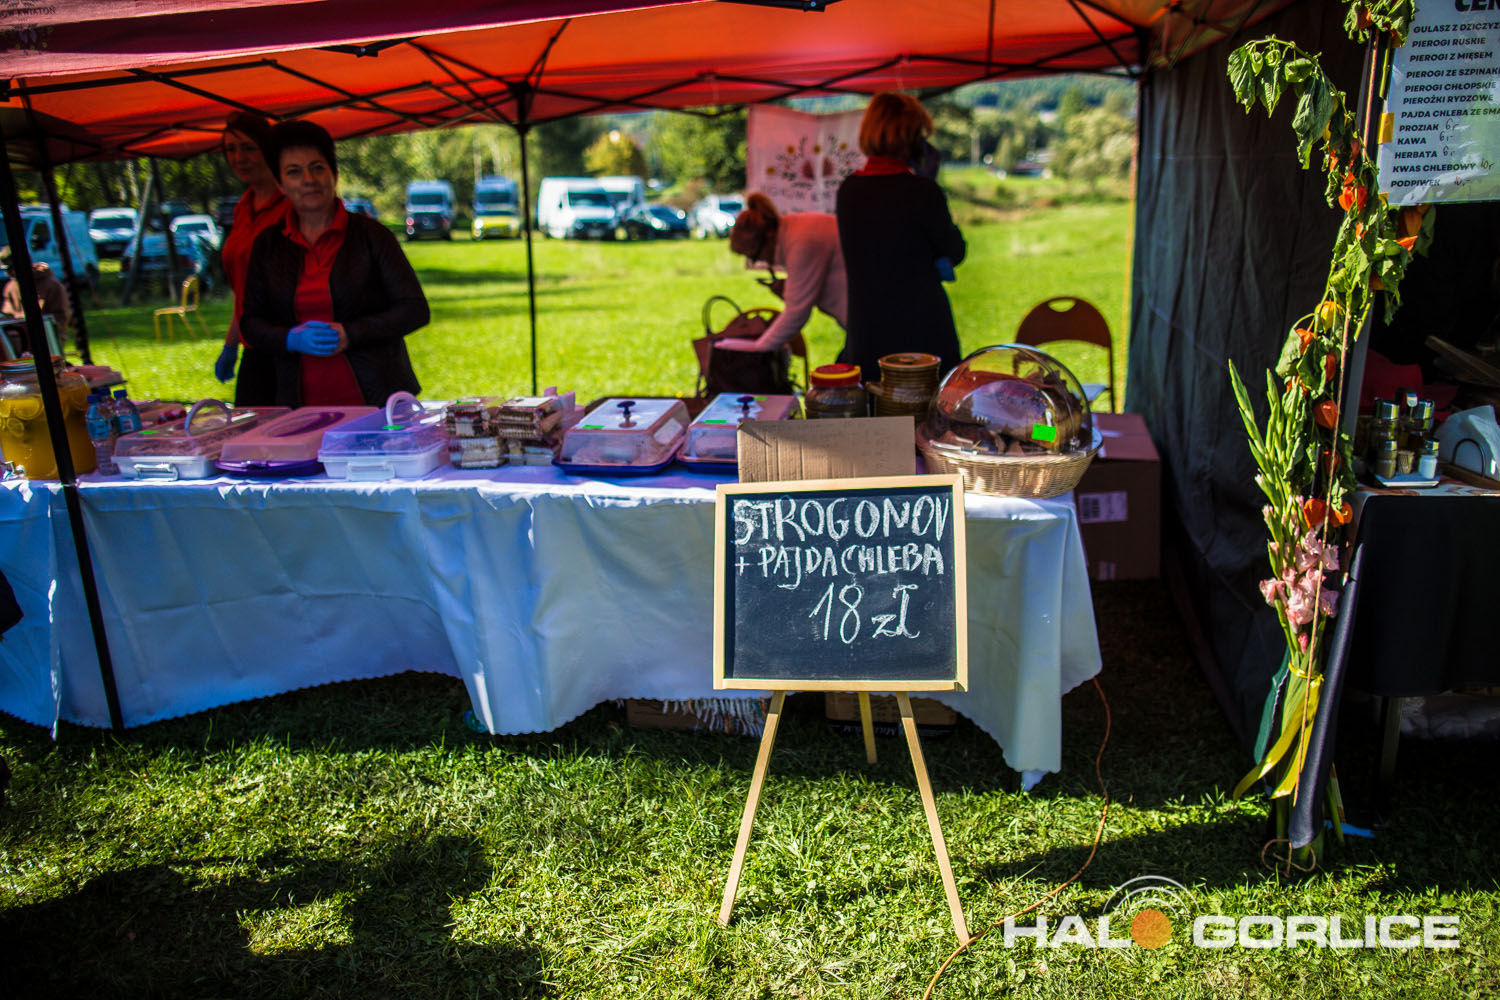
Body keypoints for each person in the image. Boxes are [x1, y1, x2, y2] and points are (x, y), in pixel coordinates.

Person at [240, 120, 428, 407]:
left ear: (334, 173)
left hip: (377, 401)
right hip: (298, 407)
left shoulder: (372, 235)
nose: (308, 179)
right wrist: (289, 338)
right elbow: (251, 323)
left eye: (317, 167)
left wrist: (351, 334)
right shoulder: (267, 246)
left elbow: (414, 309)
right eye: (294, 171)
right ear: (280, 184)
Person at [835, 91, 966, 379]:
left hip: (868, 334)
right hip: (923, 335)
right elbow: (954, 250)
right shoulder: (922, 192)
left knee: (875, 405)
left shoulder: (848, 191)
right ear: (912, 138)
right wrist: (929, 183)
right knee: (931, 407)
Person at [213, 112, 289, 405]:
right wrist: (231, 343)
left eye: (248, 148)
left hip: (290, 343)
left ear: (268, 150)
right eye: (231, 149)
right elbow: (244, 291)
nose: (238, 158)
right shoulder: (242, 208)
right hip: (254, 344)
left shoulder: (292, 205)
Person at [718, 192, 848, 353]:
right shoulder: (796, 229)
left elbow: (796, 312)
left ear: (769, 236)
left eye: (755, 256)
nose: (761, 262)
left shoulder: (801, 241)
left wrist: (758, 348)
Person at [1, 247, 72, 345]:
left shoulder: (51, 285)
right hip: (19, 339)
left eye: (11, 268)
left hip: (48, 339)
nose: (8, 273)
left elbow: (61, 316)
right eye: (4, 269)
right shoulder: (10, 287)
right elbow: (7, 314)